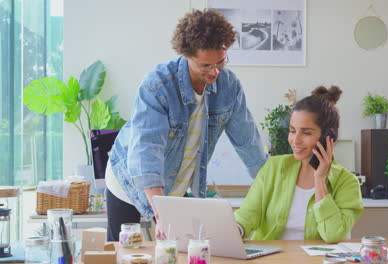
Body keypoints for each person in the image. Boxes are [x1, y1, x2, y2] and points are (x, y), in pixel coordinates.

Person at [105, 9, 267, 241]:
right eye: (205, 66)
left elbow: (248, 143)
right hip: (128, 181)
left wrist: (270, 187)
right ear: (186, 55)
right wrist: (161, 213)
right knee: (125, 252)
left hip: (175, 189)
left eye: (220, 62)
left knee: (176, 252)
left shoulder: (229, 86)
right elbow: (146, 150)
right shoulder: (159, 84)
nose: (215, 72)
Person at [234, 86, 363, 243]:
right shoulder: (274, 167)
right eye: (293, 130)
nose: (295, 140)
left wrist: (320, 179)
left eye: (306, 132)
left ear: (328, 137)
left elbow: (333, 235)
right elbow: (248, 214)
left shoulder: (347, 182)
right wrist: (234, 230)